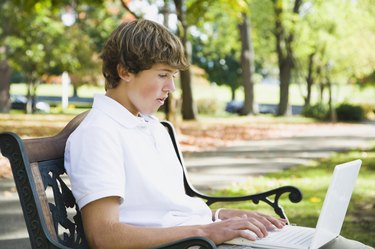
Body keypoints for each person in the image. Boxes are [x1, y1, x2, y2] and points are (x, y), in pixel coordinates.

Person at [64, 19, 372, 249]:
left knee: (337, 244)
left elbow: (166, 209)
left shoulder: (147, 125)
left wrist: (219, 216)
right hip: (193, 244)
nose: (170, 88)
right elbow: (104, 236)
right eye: (162, 76)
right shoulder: (98, 134)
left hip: (202, 237)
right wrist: (207, 232)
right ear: (124, 71)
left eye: (172, 77)